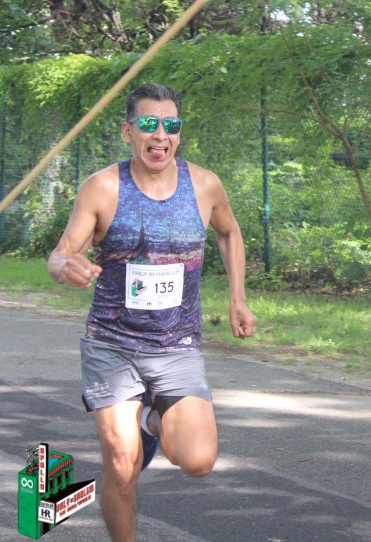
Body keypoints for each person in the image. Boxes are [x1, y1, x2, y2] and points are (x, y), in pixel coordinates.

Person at [47, 83, 257, 542]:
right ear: (129, 131)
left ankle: (147, 418)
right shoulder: (103, 187)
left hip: (177, 345)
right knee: (123, 466)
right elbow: (61, 253)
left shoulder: (203, 185)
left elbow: (229, 231)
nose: (160, 134)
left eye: (171, 125)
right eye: (148, 124)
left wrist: (237, 298)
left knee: (198, 461)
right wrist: (66, 267)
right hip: (112, 345)